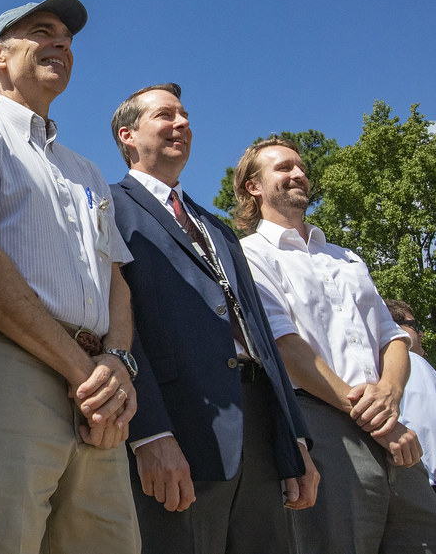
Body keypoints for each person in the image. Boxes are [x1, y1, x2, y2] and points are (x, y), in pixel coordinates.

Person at [0, 0, 141, 554]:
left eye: (66, 39)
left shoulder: (87, 171)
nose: (61, 43)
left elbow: (116, 283)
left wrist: (117, 364)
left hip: (97, 385)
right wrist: (84, 371)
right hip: (6, 367)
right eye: (42, 31)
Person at [109, 85, 317, 554]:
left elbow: (259, 334)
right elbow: (117, 325)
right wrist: (150, 432)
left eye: (184, 115)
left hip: (259, 428)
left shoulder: (217, 228)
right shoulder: (107, 206)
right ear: (128, 134)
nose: (182, 123)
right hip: (180, 430)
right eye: (165, 115)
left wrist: (295, 437)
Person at [235, 137, 436, 552]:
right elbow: (284, 347)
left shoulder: (347, 258)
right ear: (253, 187)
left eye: (301, 167)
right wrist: (376, 420)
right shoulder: (249, 257)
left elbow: (393, 337)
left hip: (392, 425)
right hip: (322, 426)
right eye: (283, 168)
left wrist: (389, 393)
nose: (298, 174)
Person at [386, 298, 436, 490]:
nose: (421, 333)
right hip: (423, 479)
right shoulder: (411, 361)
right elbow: (426, 423)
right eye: (414, 325)